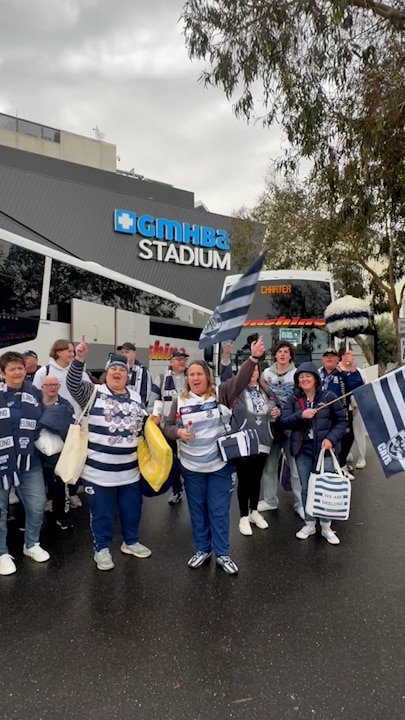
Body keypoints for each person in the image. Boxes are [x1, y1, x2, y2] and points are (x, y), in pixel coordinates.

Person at [163, 335, 266, 575]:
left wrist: (252, 358)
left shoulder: (221, 393)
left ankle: (223, 554)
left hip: (220, 466)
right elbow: (167, 427)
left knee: (218, 511)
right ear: (187, 378)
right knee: (197, 511)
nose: (195, 378)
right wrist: (177, 431)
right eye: (192, 375)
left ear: (207, 377)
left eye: (200, 374)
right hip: (191, 467)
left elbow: (241, 380)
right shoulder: (180, 400)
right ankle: (202, 549)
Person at [66, 342, 161, 571]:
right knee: (102, 514)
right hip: (99, 473)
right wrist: (78, 359)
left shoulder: (136, 397)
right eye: (113, 369)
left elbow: (143, 427)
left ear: (127, 375)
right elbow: (72, 384)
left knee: (132, 511)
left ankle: (130, 542)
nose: (117, 373)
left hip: (130, 471)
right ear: (106, 373)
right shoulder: (93, 393)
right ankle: (101, 548)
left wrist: (152, 424)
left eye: (122, 370)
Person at [280, 362, 347, 545]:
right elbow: (284, 421)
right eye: (301, 377)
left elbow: (342, 422)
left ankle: (326, 527)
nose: (304, 379)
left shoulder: (329, 397)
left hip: (325, 452)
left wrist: (331, 439)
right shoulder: (293, 399)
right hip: (303, 451)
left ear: (315, 379)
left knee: (325, 488)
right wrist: (301, 415)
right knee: (306, 488)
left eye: (308, 376)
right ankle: (309, 524)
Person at [0, 351, 49, 576]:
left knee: (37, 503)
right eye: (12, 369)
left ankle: (31, 544)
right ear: (2, 373)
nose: (17, 372)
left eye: (20, 367)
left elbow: (44, 418)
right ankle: (1, 553)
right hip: (1, 462)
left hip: (29, 459)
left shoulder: (35, 392)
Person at [34, 338, 93, 509]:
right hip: (52, 426)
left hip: (75, 424)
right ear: (58, 352)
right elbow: (37, 397)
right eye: (69, 350)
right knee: (52, 462)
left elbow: (89, 394)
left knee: (74, 460)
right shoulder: (44, 371)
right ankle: (53, 497)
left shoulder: (80, 371)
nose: (72, 354)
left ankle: (72, 493)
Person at [258, 341, 304, 519]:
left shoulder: (297, 374)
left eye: (286, 352)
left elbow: (301, 399)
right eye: (279, 351)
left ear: (291, 355)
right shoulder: (266, 374)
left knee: (295, 469)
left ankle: (300, 503)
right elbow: (261, 396)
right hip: (271, 428)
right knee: (269, 467)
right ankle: (270, 500)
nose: (283, 354)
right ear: (274, 354)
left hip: (291, 428)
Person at [232, 363, 273, 536]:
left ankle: (254, 511)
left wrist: (275, 411)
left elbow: (273, 407)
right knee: (244, 479)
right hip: (243, 441)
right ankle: (243, 516)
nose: (252, 373)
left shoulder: (266, 391)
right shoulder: (236, 391)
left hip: (263, 440)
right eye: (249, 370)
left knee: (256, 478)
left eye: (255, 370)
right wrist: (226, 358)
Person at [38, 375, 75, 530]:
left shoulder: (65, 405)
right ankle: (33, 518)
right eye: (48, 385)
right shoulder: (35, 404)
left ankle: (62, 516)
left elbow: (68, 426)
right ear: (42, 387)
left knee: (60, 487)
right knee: (38, 487)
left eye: (55, 385)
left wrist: (46, 423)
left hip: (58, 455)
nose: (52, 388)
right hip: (37, 455)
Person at [337, 347, 364, 477]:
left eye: (351, 355)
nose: (349, 357)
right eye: (347, 354)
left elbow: (357, 386)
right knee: (339, 437)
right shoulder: (336, 371)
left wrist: (354, 405)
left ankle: (342, 463)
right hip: (334, 410)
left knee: (350, 436)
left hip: (348, 409)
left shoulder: (354, 371)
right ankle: (338, 464)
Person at [117, 342, 152, 406]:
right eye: (122, 352)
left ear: (134, 353)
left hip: (137, 409)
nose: (123, 355)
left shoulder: (143, 371)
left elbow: (146, 395)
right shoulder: (118, 371)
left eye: (126, 352)